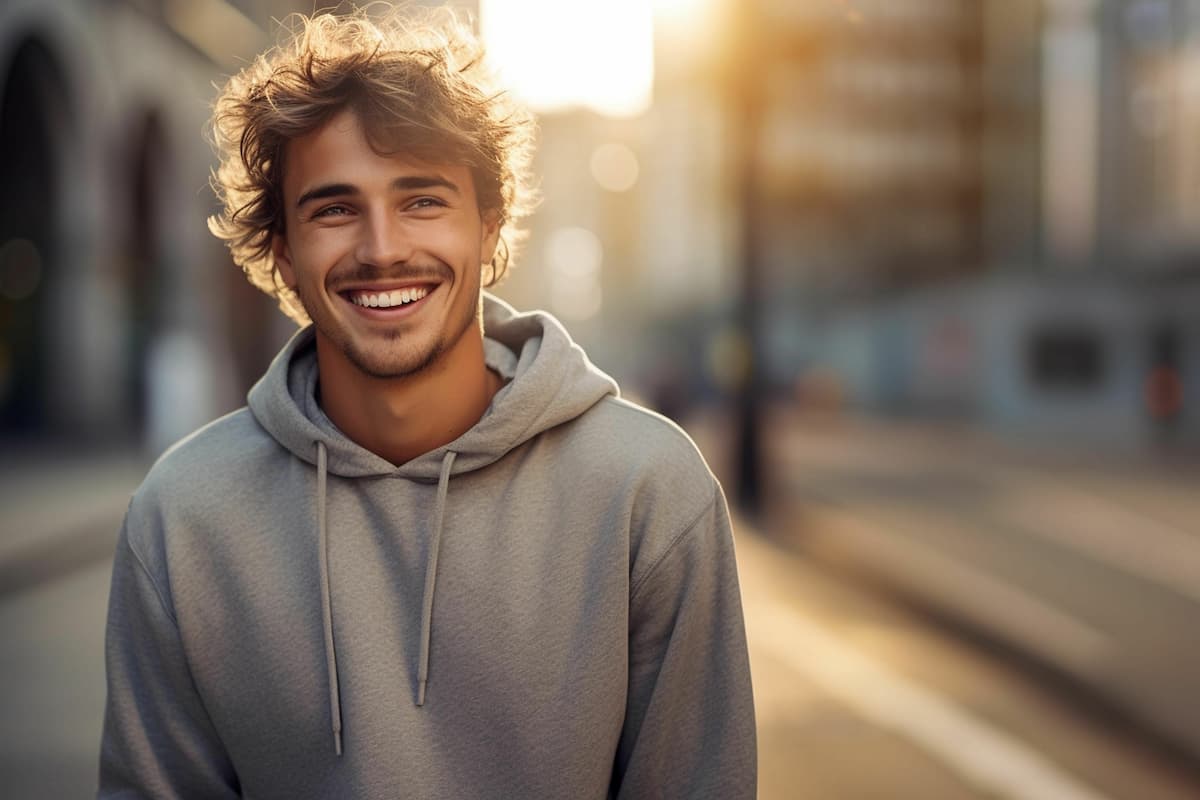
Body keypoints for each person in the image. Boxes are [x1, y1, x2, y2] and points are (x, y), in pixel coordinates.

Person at [98, 6, 756, 798]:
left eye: (422, 201)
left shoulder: (647, 493)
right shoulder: (182, 518)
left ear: (489, 226)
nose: (382, 250)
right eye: (335, 209)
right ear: (282, 253)